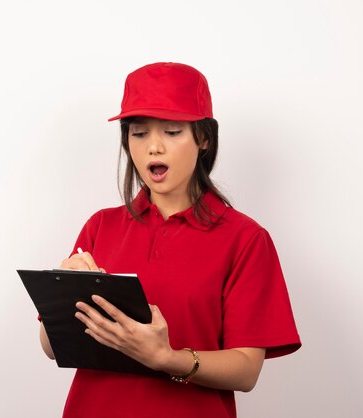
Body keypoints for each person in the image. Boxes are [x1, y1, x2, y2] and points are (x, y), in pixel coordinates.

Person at [39, 62, 301, 418]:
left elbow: (246, 370)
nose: (154, 147)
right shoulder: (100, 226)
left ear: (204, 138)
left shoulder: (245, 239)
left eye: (173, 131)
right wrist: (61, 294)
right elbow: (53, 347)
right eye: (139, 133)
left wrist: (165, 358)